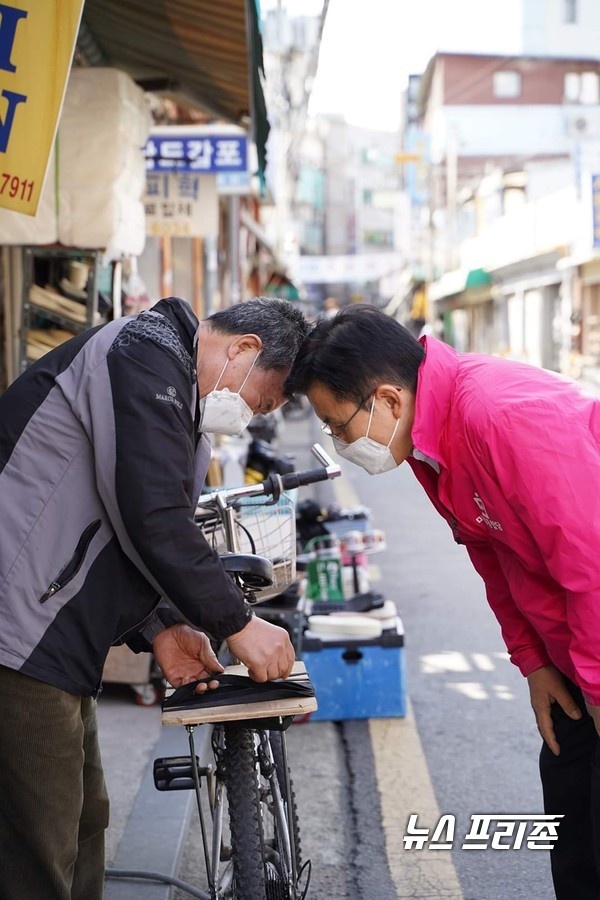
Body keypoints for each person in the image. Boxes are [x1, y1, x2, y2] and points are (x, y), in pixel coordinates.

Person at [0, 294, 310, 900]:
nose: (250, 416)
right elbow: (153, 515)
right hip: (20, 625)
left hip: (53, 626)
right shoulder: (144, 356)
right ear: (243, 350)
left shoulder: (167, 378)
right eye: (262, 401)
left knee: (84, 820)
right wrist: (238, 621)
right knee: (40, 848)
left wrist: (163, 625)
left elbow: (122, 518)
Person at [286, 303, 600, 900]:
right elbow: (494, 555)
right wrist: (533, 661)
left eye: (339, 425)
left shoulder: (503, 420)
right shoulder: (432, 436)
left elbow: (592, 569)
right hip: (573, 653)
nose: (340, 442)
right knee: (570, 807)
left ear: (388, 400)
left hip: (596, 642)